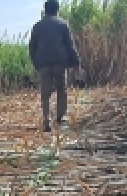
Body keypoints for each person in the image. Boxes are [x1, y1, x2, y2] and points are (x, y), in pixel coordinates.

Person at [28, 0, 81, 132]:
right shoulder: (63, 25)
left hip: (43, 64)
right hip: (60, 63)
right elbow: (70, 46)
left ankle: (46, 120)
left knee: (45, 93)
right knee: (61, 89)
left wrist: (36, 63)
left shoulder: (37, 26)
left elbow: (32, 47)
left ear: (45, 10)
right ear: (57, 10)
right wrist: (76, 63)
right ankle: (60, 117)